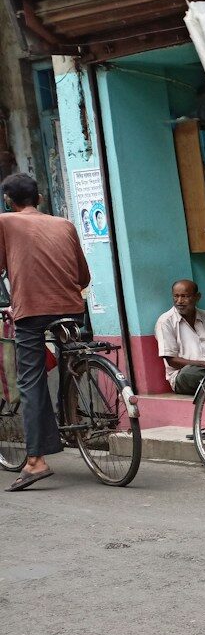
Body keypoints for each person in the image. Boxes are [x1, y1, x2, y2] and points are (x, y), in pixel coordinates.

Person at [0, 172, 92, 491]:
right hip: (71, 308)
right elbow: (83, 276)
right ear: (39, 199)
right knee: (70, 361)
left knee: (31, 380)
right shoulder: (65, 224)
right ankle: (72, 416)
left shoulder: (6, 222)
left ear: (9, 201)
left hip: (33, 312)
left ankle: (36, 460)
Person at [155, 279, 205, 395]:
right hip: (188, 374)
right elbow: (171, 361)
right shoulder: (165, 321)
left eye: (184, 296)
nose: (179, 301)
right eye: (176, 296)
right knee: (188, 374)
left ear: (197, 297)